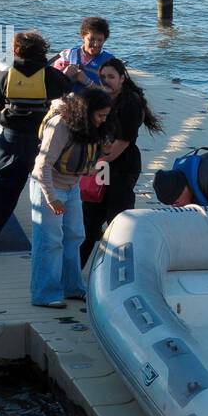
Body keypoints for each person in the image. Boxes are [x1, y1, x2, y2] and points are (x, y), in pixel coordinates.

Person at [0, 31, 72, 249]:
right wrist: (70, 74)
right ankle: (53, 231)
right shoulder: (50, 75)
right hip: (41, 138)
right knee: (49, 182)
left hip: (12, 138)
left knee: (0, 184)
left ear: (17, 51)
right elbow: (67, 87)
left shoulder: (9, 74)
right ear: (42, 50)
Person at [29, 88, 112, 308]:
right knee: (49, 241)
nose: (103, 120)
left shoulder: (90, 128)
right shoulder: (60, 126)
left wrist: (100, 156)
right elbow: (42, 165)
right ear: (86, 111)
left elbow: (86, 168)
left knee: (75, 235)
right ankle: (44, 294)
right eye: (100, 115)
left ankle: (72, 286)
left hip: (71, 186)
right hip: (48, 187)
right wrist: (51, 198)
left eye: (106, 116)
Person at [79, 58, 164, 266]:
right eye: (103, 77)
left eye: (111, 77)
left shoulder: (130, 103)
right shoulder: (102, 100)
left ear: (122, 78)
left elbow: (122, 143)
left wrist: (93, 164)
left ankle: (121, 268)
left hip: (121, 166)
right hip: (102, 164)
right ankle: (73, 275)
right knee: (90, 216)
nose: (106, 81)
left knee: (118, 218)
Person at [52, 16, 113, 91]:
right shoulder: (66, 56)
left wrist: (88, 82)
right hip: (68, 101)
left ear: (105, 40)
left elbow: (112, 92)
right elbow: (52, 86)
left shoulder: (110, 61)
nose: (95, 44)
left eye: (100, 40)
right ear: (82, 36)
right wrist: (64, 75)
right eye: (91, 39)